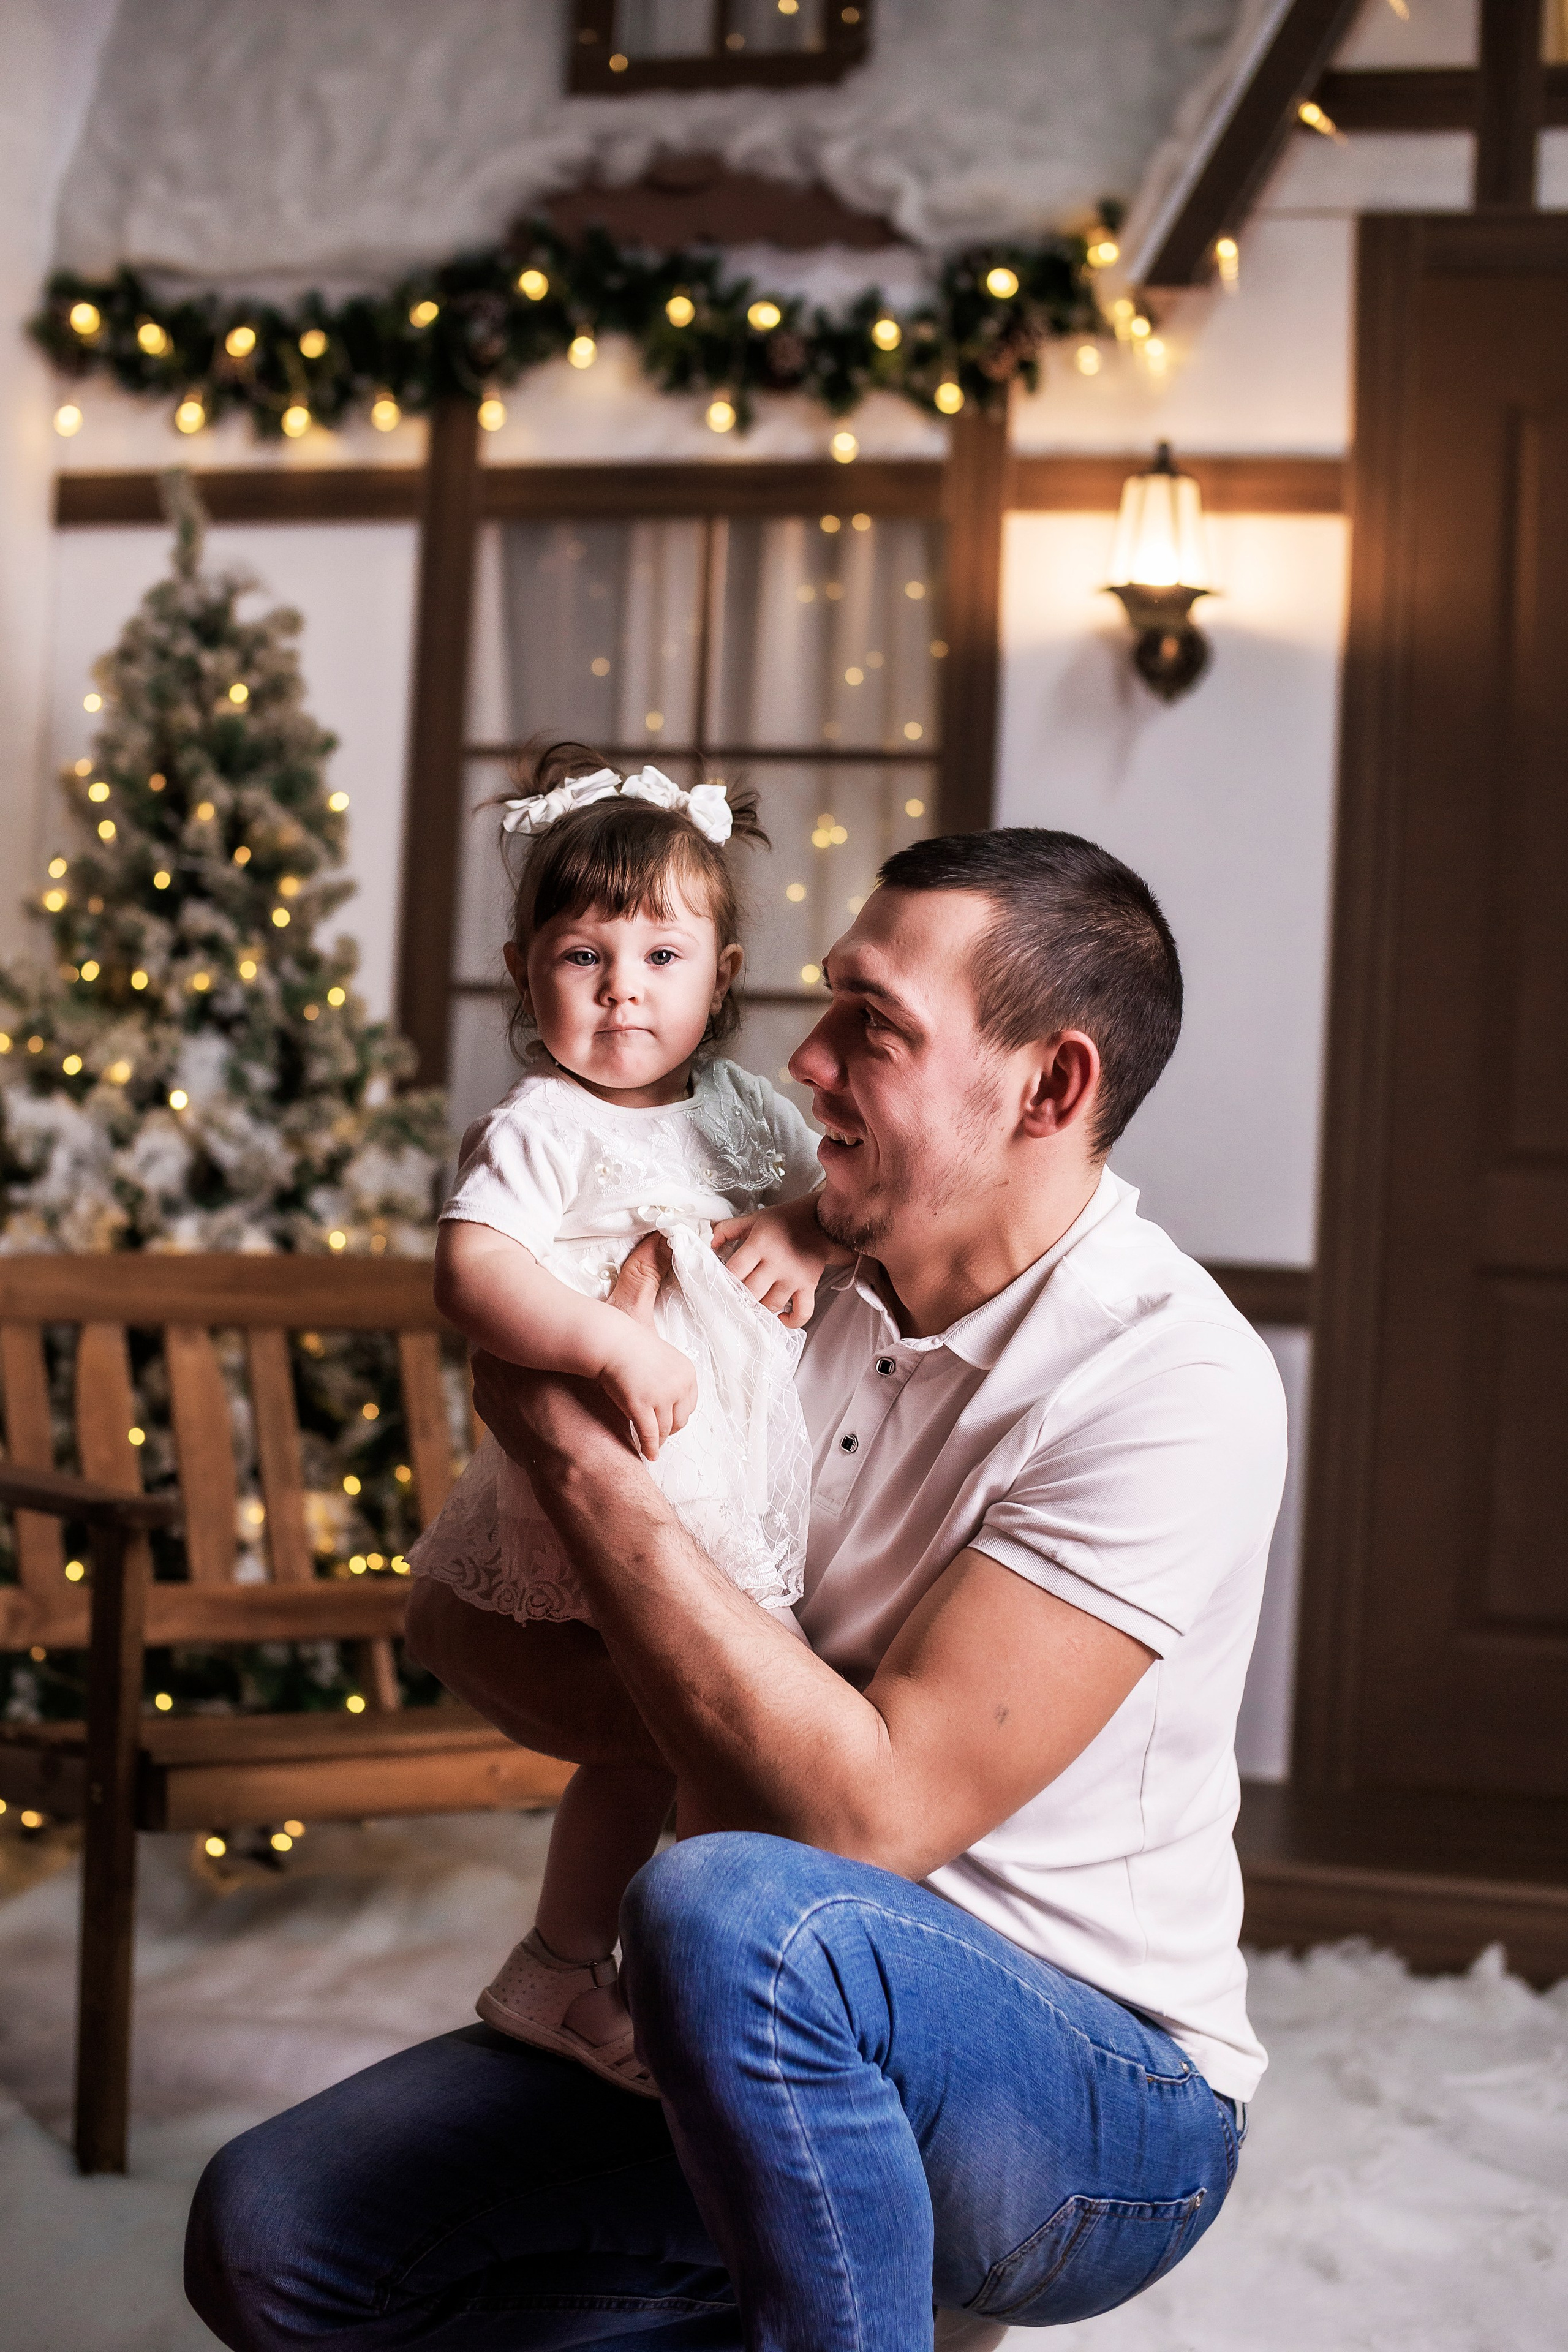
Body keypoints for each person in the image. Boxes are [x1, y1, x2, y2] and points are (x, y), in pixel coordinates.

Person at [186, 826, 1287, 2351]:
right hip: (736, 2022)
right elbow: (456, 1630)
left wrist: (581, 1464)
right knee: (272, 2239)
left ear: (1049, 1088)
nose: (810, 1059)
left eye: (876, 1027)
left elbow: (857, 1823)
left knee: (732, 1899)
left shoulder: (1169, 1381)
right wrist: (726, 1708)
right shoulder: (771, 1263)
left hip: (1096, 2089)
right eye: (828, 998)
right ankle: (839, 2272)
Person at [412, 742, 843, 2094]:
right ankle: (620, 1970)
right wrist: (602, 1336)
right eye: (583, 955)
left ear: (720, 976)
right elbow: (471, 1268)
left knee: (689, 1738)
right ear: (524, 969)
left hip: (750, 1474)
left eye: (661, 957)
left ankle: (591, 1967)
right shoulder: (542, 1123)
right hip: (634, 1471)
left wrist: (802, 1233)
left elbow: (840, 1202)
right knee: (684, 1733)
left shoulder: (742, 1111)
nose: (620, 992)